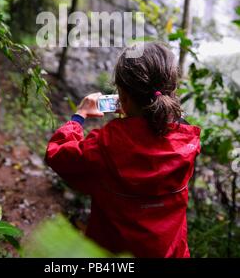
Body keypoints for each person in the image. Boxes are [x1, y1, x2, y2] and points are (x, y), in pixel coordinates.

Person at [45, 42, 201, 258]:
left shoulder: (105, 145)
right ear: (171, 90)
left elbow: (58, 154)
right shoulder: (188, 141)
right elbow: (162, 133)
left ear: (123, 97)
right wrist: (134, 113)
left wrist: (79, 116)